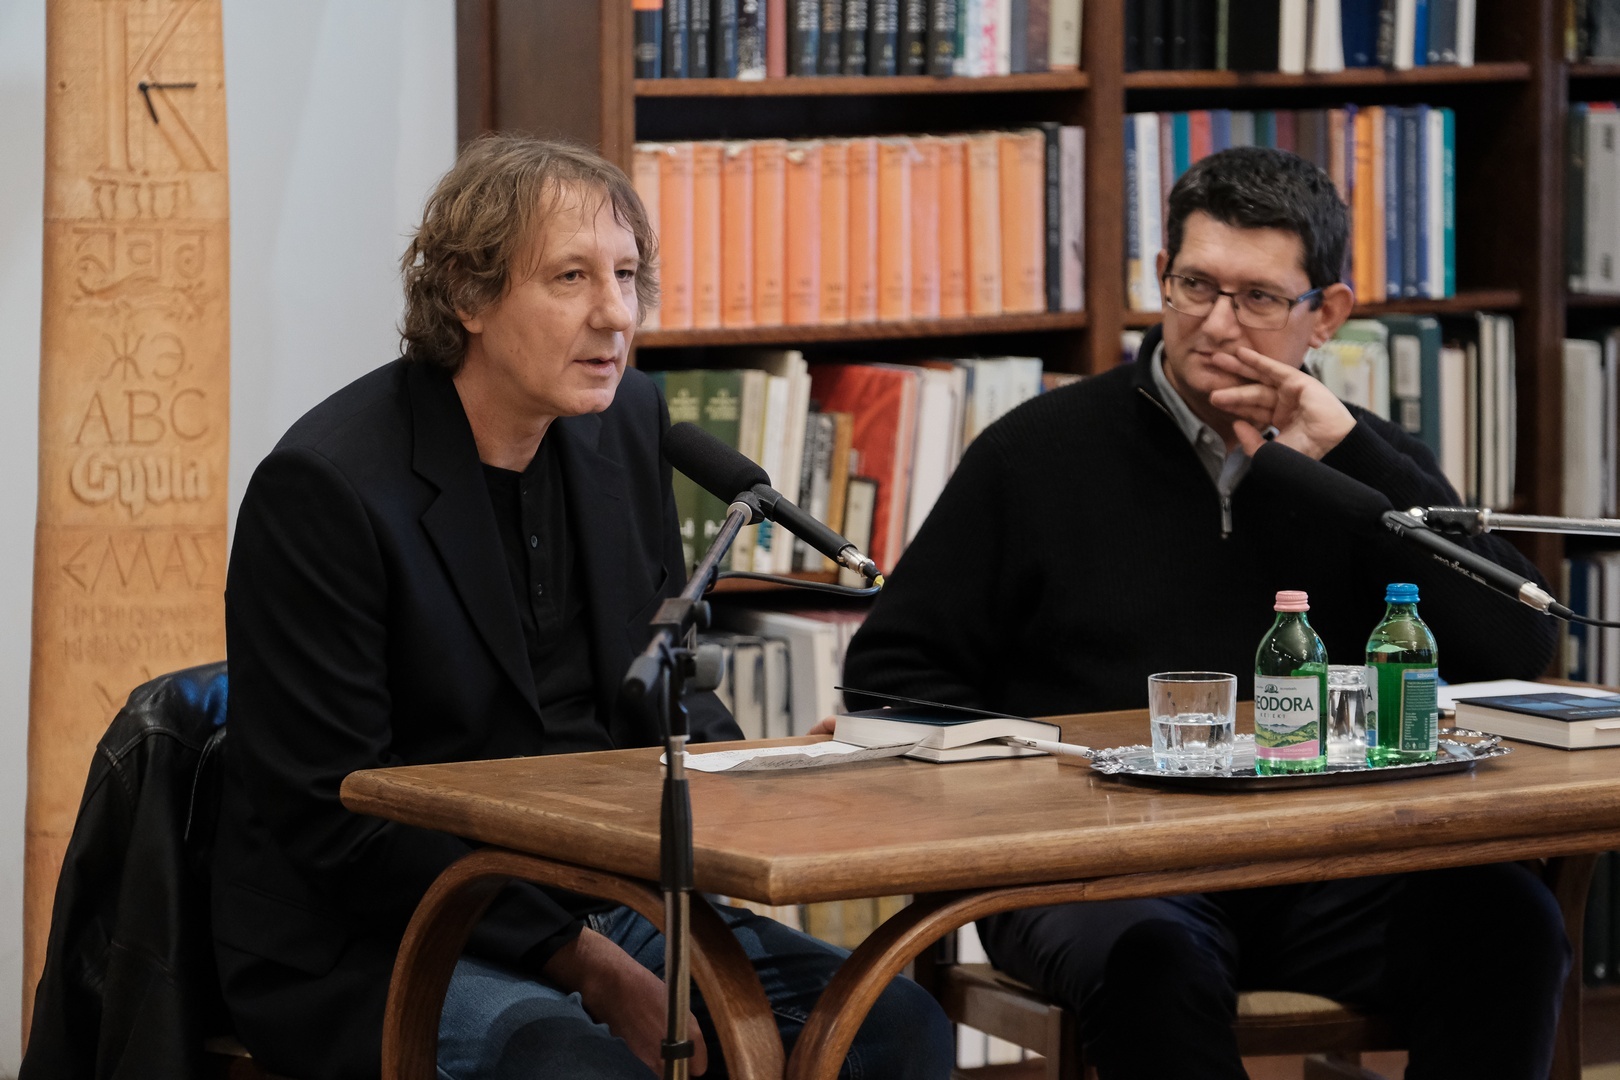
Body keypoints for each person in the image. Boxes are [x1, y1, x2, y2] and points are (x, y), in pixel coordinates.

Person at [211, 134, 953, 1080]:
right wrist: (585, 964)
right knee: (574, 1066)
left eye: (627, 275)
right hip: (389, 925)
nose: (616, 314)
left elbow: (663, 690)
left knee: (892, 1027)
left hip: (602, 892)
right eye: (571, 277)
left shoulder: (625, 421)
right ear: (469, 296)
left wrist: (774, 777)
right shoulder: (326, 488)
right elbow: (339, 818)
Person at [842, 146, 1570, 1079]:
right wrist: (1047, 775)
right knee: (1154, 963)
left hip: (1329, 866)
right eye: (1195, 286)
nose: (1217, 324)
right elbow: (892, 675)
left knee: (1510, 921)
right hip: (1103, 873)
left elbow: (1518, 645)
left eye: (1258, 297)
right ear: (1161, 276)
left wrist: (1353, 459)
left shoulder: (1369, 464)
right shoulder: (1035, 453)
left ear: (1326, 315)